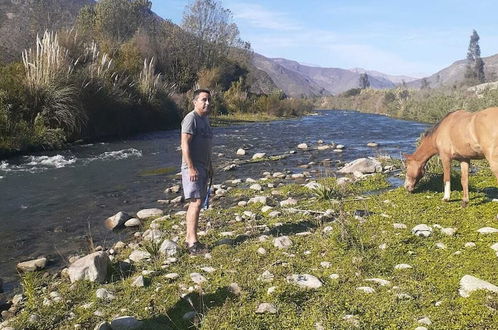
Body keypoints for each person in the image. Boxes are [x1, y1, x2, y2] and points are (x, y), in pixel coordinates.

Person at [180, 89, 213, 255]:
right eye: (203, 100)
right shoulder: (191, 118)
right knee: (196, 202)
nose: (207, 103)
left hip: (203, 166)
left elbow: (205, 145)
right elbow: (184, 144)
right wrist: (191, 167)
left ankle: (189, 238)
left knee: (198, 203)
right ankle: (193, 243)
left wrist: (210, 166)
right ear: (195, 102)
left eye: (208, 100)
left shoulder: (205, 120)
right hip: (192, 167)